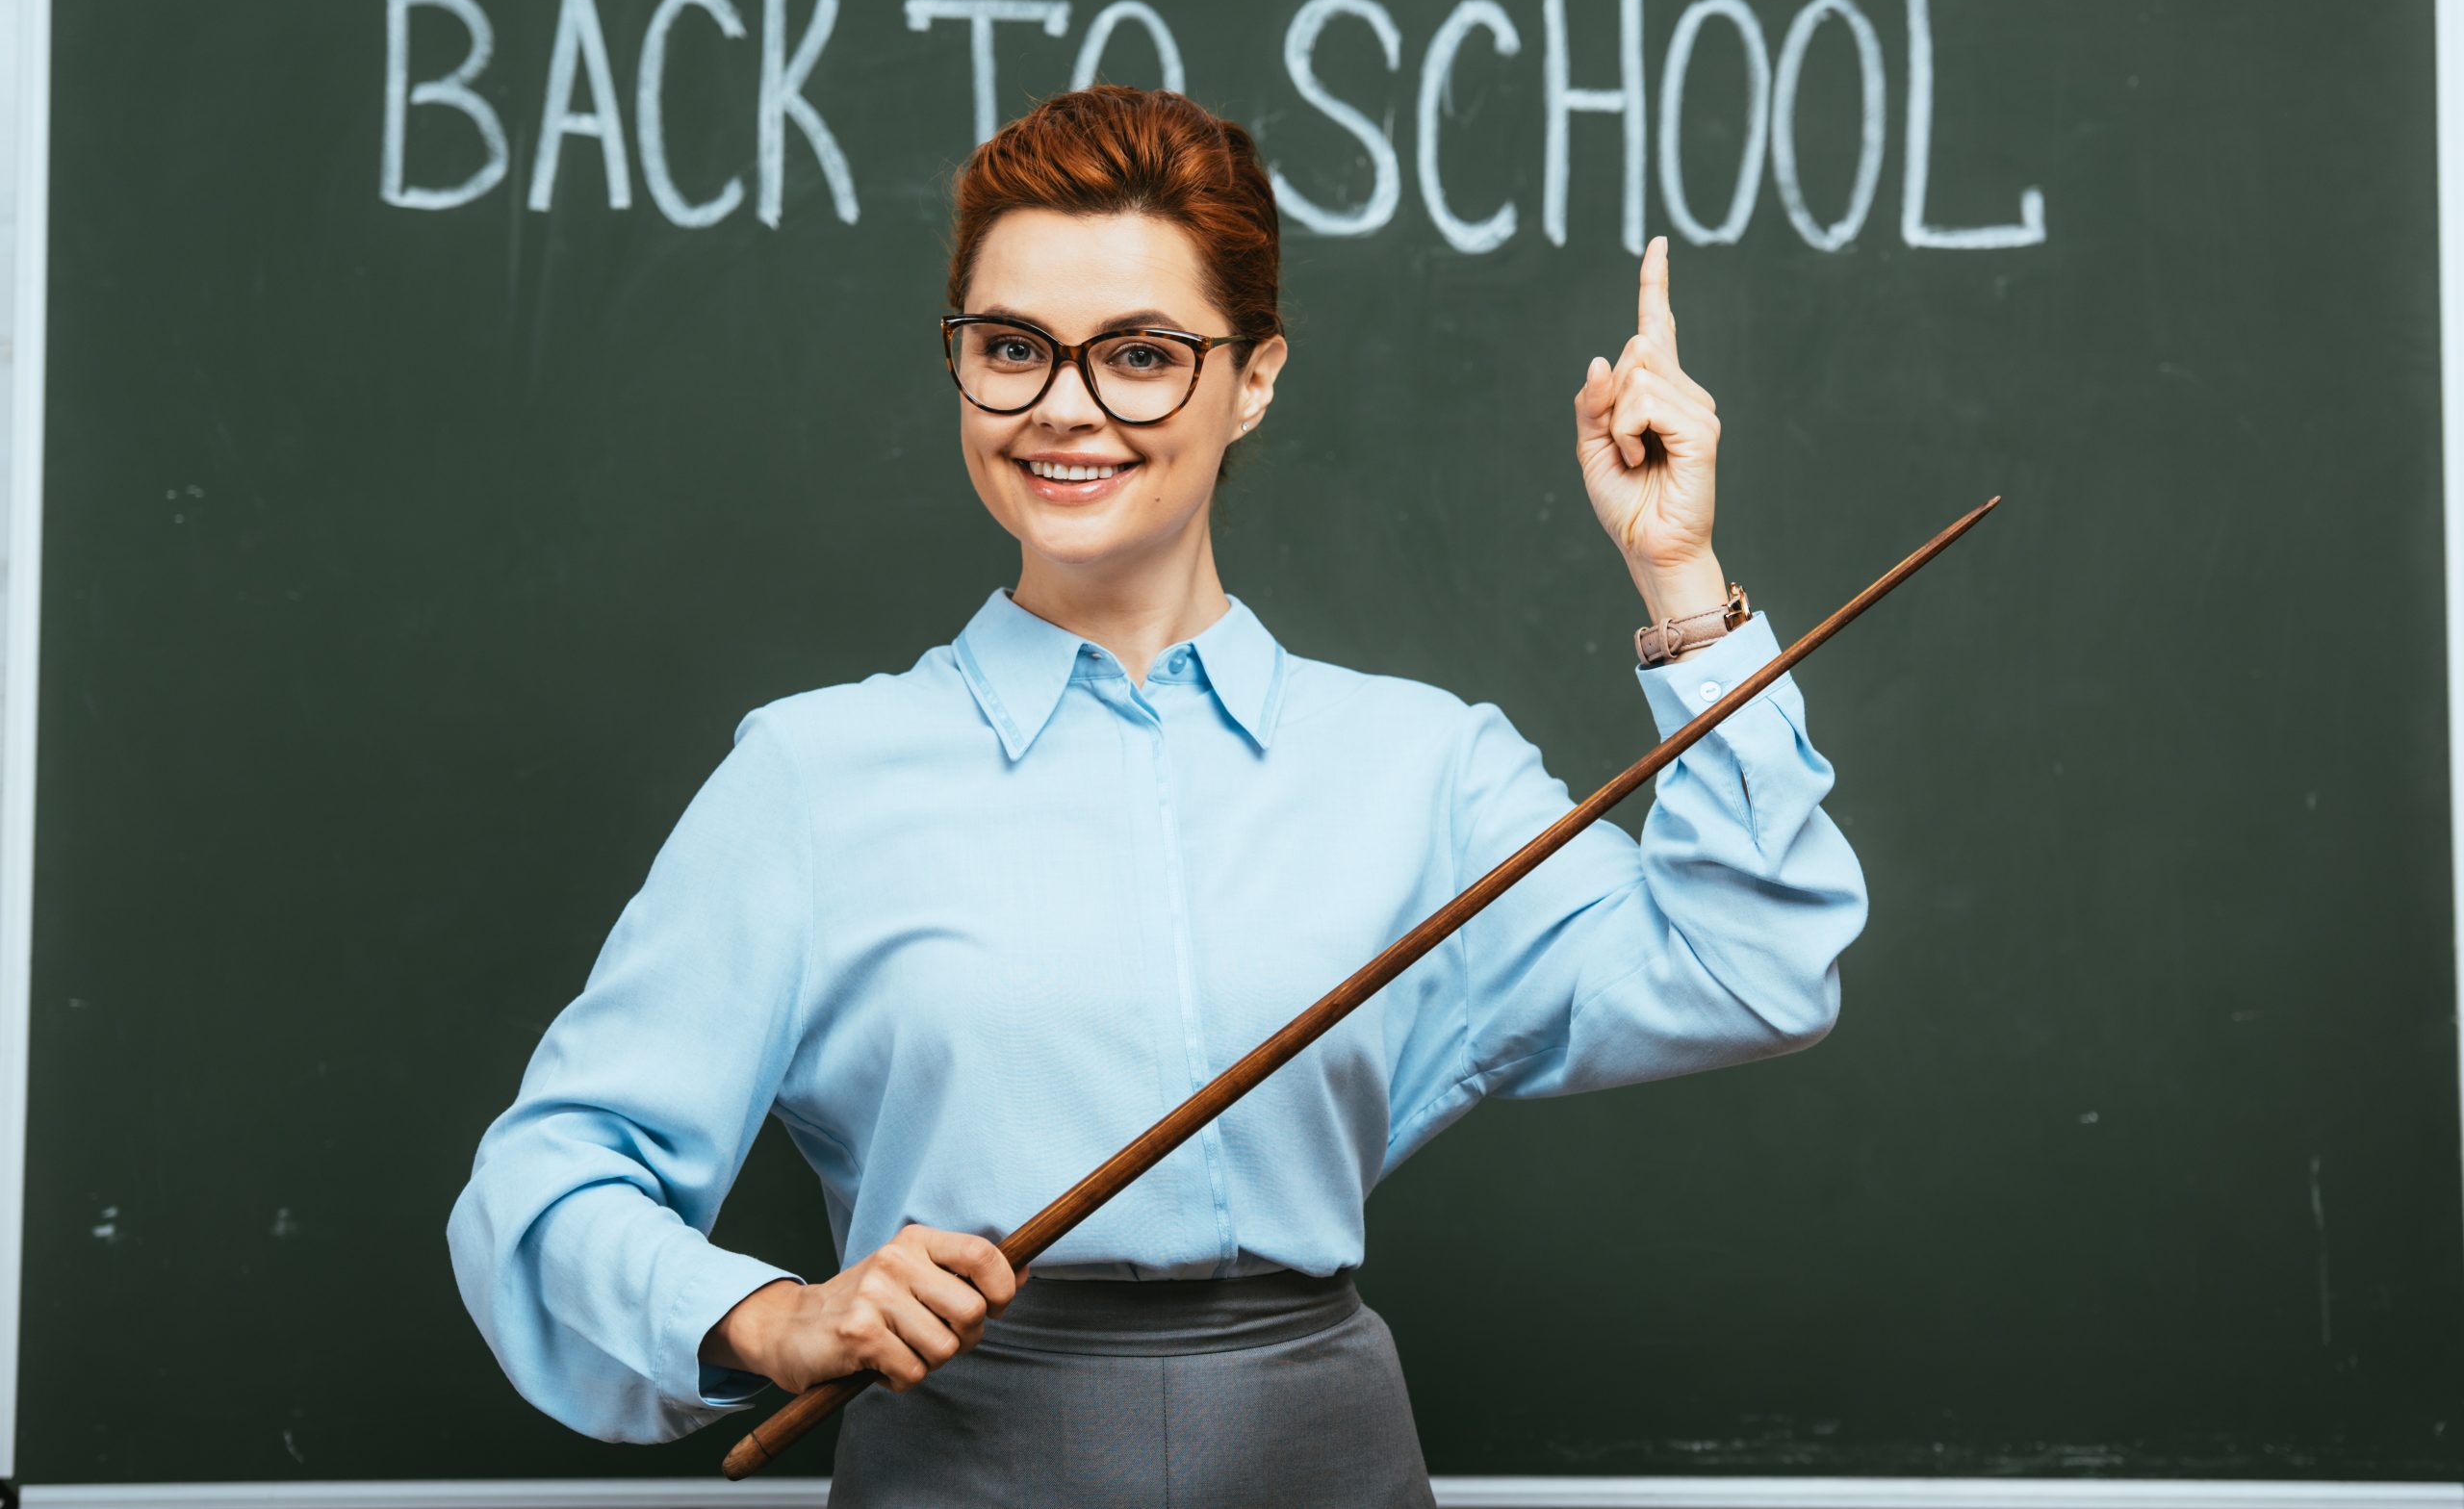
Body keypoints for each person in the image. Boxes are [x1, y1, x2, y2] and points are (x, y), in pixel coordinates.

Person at [446, 84, 1868, 1507]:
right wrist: (772, 1315)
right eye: (1009, 348)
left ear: (1254, 378)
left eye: (1139, 354)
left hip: (1325, 1454)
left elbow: (1750, 973)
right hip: (961, 1458)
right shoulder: (810, 778)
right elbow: (548, 1177)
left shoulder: (1420, 766)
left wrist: (1679, 574)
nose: (1063, 407)